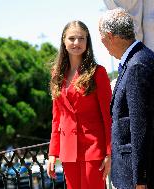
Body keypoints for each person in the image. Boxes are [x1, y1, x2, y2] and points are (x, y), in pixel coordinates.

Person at [99, 8, 154, 189]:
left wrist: (140, 179)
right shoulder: (142, 57)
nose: (101, 42)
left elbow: (141, 125)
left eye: (101, 37)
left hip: (140, 176)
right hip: (141, 172)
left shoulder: (137, 65)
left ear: (110, 35)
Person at [47, 20, 112, 189]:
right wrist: (53, 153)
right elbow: (57, 117)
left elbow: (108, 116)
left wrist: (109, 152)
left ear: (87, 41)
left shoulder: (98, 73)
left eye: (81, 38)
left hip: (93, 148)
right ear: (64, 40)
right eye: (72, 38)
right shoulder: (57, 74)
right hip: (68, 151)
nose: (77, 43)